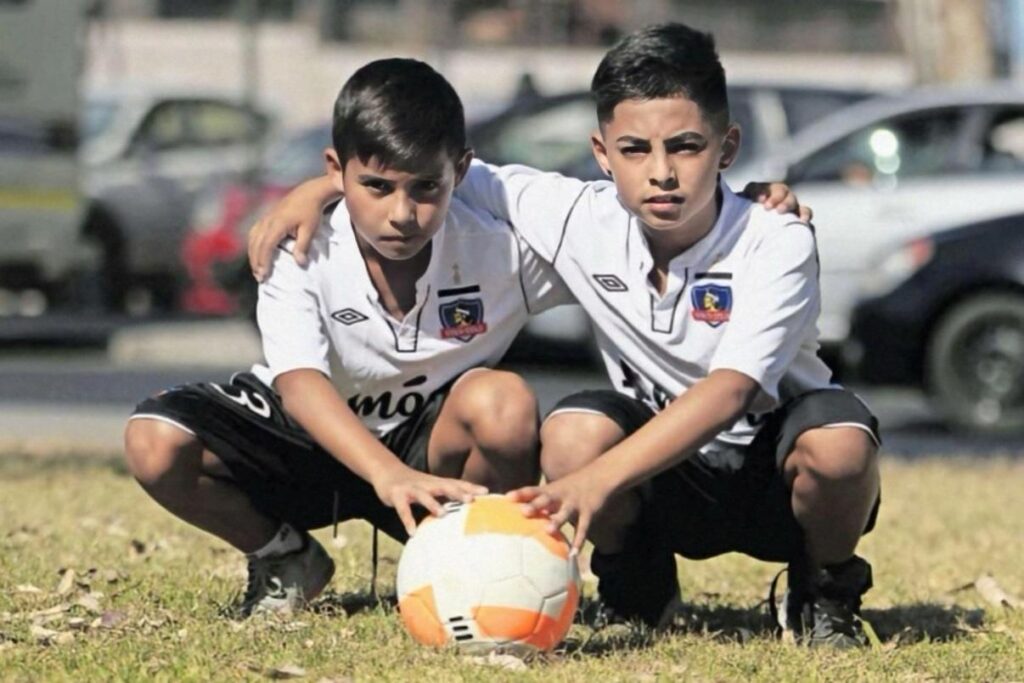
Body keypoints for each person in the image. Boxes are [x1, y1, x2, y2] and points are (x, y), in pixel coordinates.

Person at [247, 24, 879, 649]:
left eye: (686, 146)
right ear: (602, 154)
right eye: (634, 150)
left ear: (727, 147)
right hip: (663, 482)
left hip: (769, 479)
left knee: (840, 443)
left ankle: (825, 591)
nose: (661, 172)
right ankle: (637, 588)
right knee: (574, 432)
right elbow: (424, 165)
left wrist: (593, 483)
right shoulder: (577, 216)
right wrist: (321, 189)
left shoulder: (777, 239)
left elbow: (732, 390)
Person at [122, 58, 573, 617]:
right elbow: (300, 382)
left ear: (462, 168)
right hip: (312, 438)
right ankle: (286, 556)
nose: (402, 213)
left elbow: (620, 262)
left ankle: (499, 570)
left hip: (427, 453)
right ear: (336, 170)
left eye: (426, 187)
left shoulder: (500, 249)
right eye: (377, 187)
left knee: (504, 402)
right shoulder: (302, 243)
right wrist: (387, 474)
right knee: (155, 442)